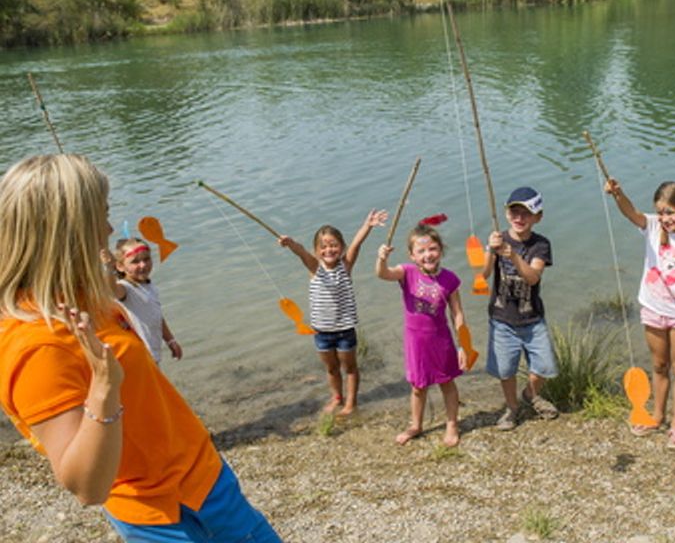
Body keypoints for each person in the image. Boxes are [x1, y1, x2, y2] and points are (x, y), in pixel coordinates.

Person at [0, 154, 281, 542]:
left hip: (204, 479)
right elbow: (87, 487)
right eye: (102, 214)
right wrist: (103, 388)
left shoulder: (80, 296)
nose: (110, 227)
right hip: (164, 514)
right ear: (68, 231)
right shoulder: (34, 346)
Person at [605, 179, 675, 451]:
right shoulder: (652, 227)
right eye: (661, 212)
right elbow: (631, 213)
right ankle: (657, 415)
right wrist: (619, 193)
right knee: (659, 366)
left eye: (670, 212)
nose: (665, 218)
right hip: (653, 309)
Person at [278, 209, 387, 416]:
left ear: (341, 247)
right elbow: (300, 251)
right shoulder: (314, 268)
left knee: (351, 368)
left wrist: (368, 225)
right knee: (331, 369)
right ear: (317, 250)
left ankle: (351, 403)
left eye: (334, 245)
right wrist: (290, 243)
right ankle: (337, 397)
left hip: (345, 330)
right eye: (324, 246)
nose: (329, 250)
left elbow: (357, 244)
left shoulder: (345, 266)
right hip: (321, 332)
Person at [376, 224, 467, 447]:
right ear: (412, 255)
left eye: (433, 249)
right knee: (418, 386)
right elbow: (383, 274)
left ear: (441, 250)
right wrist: (381, 259)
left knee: (447, 383)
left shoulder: (450, 279)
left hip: (441, 340)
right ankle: (416, 425)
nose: (428, 255)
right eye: (421, 251)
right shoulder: (407, 272)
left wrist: (464, 345)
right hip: (415, 342)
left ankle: (452, 424)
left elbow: (458, 314)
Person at [481, 186, 559, 432]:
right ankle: (512, 407)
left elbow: (533, 277)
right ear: (507, 215)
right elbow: (482, 276)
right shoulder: (498, 240)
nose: (519, 218)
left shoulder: (541, 245)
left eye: (526, 213)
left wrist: (513, 256)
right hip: (502, 319)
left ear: (538, 217)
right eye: (514, 212)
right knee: (505, 370)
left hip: (533, 318)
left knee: (546, 366)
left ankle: (530, 393)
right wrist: (489, 251)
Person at [101, 237, 182, 364]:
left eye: (146, 259)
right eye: (135, 262)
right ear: (121, 266)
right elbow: (113, 289)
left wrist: (170, 340)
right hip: (140, 357)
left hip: (153, 354)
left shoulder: (149, 286)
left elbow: (157, 316)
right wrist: (109, 268)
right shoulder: (126, 289)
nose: (143, 265)